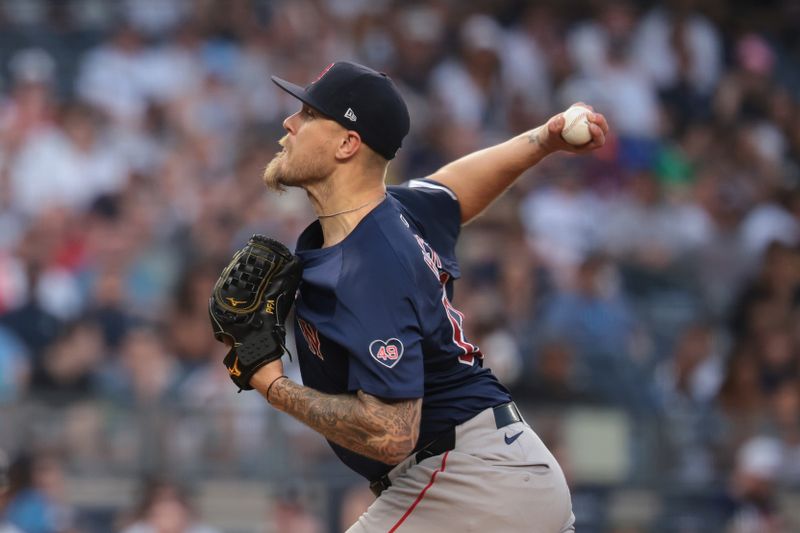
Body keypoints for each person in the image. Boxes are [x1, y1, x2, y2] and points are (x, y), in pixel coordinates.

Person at [250, 61, 608, 532]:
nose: (289, 123)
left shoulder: (367, 264)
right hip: (501, 472)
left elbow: (391, 432)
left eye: (309, 114)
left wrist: (273, 386)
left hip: (469, 481)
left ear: (346, 143)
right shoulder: (394, 211)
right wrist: (542, 141)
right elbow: (454, 191)